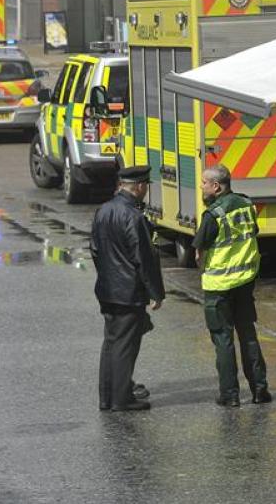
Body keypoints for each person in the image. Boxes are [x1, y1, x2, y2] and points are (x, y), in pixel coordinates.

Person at [193, 165, 270, 407]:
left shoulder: (213, 214)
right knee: (248, 335)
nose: (201, 187)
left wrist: (204, 267)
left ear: (216, 187)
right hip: (245, 281)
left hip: (219, 286)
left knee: (223, 339)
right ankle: (260, 390)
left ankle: (230, 394)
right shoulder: (247, 205)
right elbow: (252, 233)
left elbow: (200, 250)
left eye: (204, 183)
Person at [90, 165, 165, 412]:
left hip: (108, 288)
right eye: (146, 187)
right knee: (125, 346)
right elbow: (144, 257)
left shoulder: (103, 211)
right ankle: (122, 399)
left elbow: (95, 250)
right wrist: (155, 292)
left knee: (111, 343)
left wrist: (106, 277)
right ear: (140, 187)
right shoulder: (134, 217)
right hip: (128, 291)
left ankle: (106, 397)